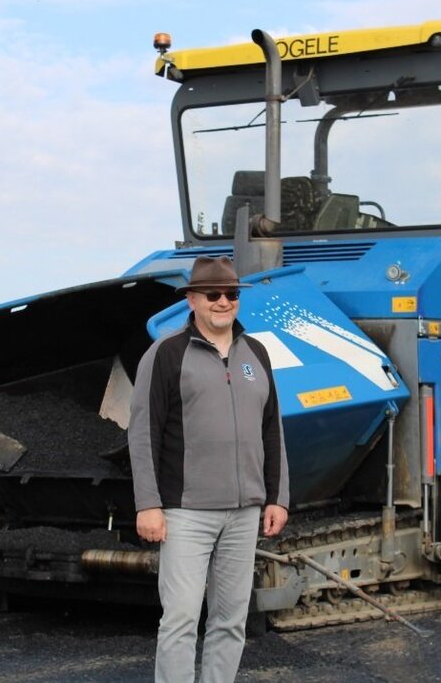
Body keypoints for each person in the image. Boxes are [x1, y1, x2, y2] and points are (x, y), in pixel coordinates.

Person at [128, 255, 290, 683]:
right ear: (192, 300)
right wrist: (148, 504)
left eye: (232, 294)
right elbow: (143, 433)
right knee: (180, 620)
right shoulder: (165, 354)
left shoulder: (257, 353)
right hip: (185, 512)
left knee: (231, 621)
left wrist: (277, 497)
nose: (224, 302)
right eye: (213, 295)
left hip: (244, 513)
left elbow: (272, 430)